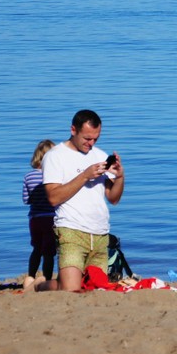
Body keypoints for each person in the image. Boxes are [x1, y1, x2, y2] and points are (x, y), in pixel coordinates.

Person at [41, 110, 125, 292]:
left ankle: (55, 281)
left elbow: (114, 198)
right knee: (71, 290)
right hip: (71, 230)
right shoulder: (56, 156)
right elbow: (53, 197)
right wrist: (85, 175)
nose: (91, 143)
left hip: (100, 233)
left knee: (93, 288)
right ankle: (39, 286)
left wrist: (119, 177)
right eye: (87, 138)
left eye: (96, 138)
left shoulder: (100, 155)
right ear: (73, 130)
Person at [22, 139, 56, 291]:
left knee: (36, 249)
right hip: (51, 218)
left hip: (35, 219)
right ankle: (47, 279)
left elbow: (25, 200)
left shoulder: (28, 177)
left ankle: (30, 275)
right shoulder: (53, 177)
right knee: (48, 252)